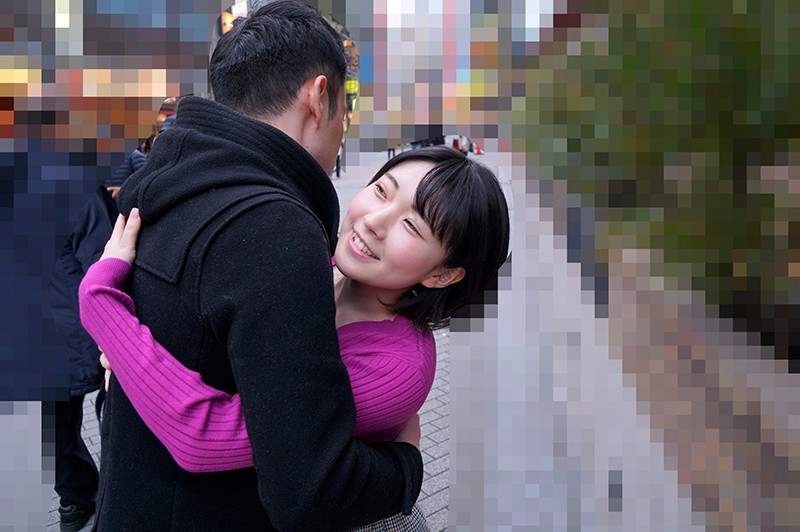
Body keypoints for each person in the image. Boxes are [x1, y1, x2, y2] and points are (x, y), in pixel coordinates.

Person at [85, 1, 427, 530]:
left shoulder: (158, 183)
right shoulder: (277, 231)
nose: (342, 131)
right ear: (318, 97)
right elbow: (310, 490)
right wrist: (404, 467)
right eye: (345, 111)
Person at [80, 146, 510, 530]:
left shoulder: (395, 368)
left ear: (443, 274)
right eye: (382, 191)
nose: (374, 222)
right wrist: (129, 351)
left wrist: (101, 300)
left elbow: (203, 436)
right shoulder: (312, 267)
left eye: (412, 227)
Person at [49, 179, 119, 532]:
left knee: (57, 425)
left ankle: (75, 498)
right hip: (77, 327)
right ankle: (99, 495)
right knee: (111, 411)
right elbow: (103, 263)